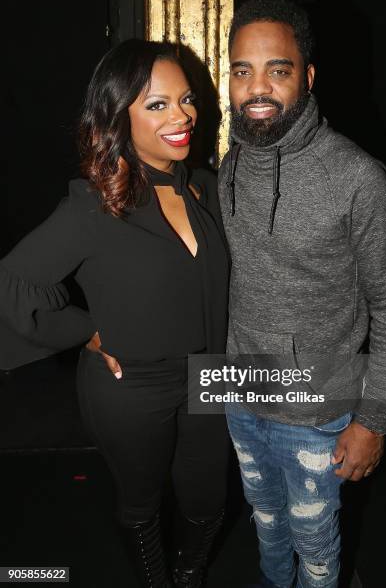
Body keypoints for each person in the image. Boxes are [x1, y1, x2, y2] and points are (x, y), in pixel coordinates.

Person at [0, 39, 231, 588]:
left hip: (215, 376)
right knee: (140, 503)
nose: (182, 116)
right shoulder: (94, 203)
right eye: (157, 105)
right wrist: (86, 331)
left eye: (186, 99)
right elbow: (12, 282)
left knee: (209, 498)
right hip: (132, 386)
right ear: (117, 115)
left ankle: (189, 572)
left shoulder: (206, 187)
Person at [217, 0, 386, 588]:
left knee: (317, 544)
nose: (258, 87)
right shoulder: (229, 166)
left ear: (306, 76)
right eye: (241, 70)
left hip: (318, 413)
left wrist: (374, 421)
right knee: (266, 521)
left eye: (277, 70)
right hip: (239, 393)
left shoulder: (358, 178)